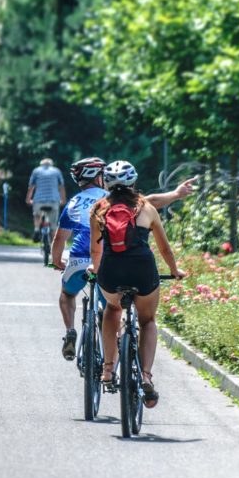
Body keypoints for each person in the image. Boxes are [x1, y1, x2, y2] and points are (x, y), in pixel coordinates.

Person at [53, 158, 195, 362]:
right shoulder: (119, 200)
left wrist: (57, 261)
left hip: (83, 262)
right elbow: (151, 202)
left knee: (68, 294)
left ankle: (71, 331)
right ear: (99, 178)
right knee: (114, 311)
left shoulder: (78, 203)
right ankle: (121, 356)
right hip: (120, 263)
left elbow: (60, 238)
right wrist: (176, 194)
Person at [88, 160, 186, 409]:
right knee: (147, 321)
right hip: (142, 271)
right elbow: (164, 247)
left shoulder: (98, 209)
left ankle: (108, 370)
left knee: (112, 309)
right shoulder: (147, 208)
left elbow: (95, 250)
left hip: (111, 271)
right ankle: (145, 376)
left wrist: (96, 270)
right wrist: (174, 271)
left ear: (106, 184)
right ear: (133, 182)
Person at [26, 158, 65, 242]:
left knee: (37, 216)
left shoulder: (36, 171)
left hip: (38, 200)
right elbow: (61, 186)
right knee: (53, 225)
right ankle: (53, 245)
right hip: (54, 200)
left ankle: (36, 230)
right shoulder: (56, 171)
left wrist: (28, 199)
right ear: (51, 164)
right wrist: (63, 200)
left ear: (41, 164)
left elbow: (31, 186)